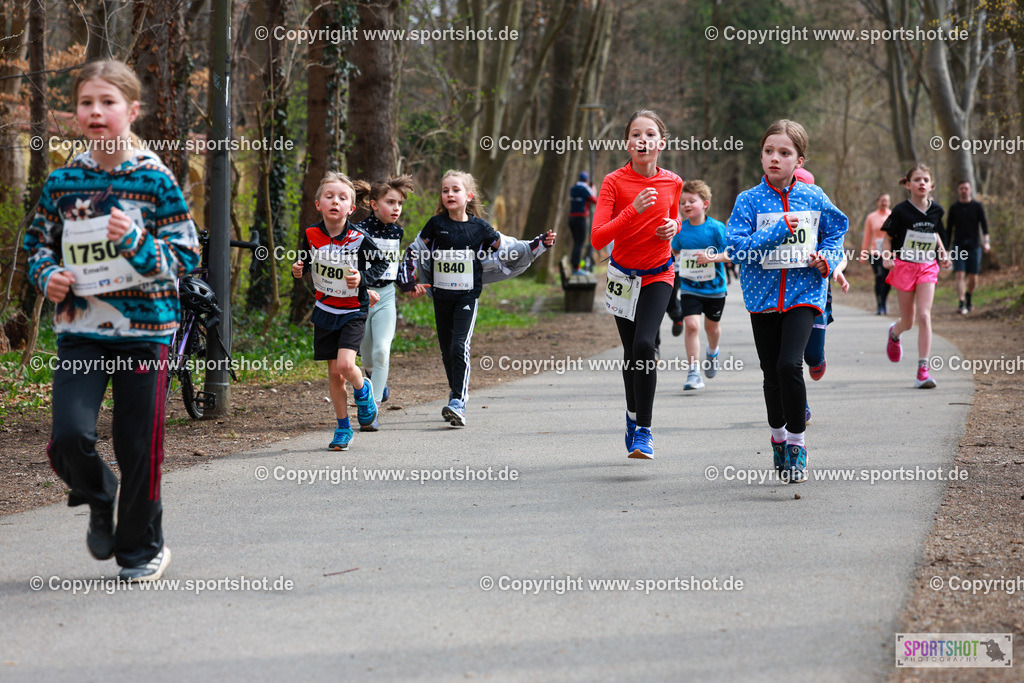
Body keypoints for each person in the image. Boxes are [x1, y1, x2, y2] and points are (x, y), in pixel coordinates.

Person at [23, 60, 200, 581]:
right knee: (69, 438)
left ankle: (141, 548)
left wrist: (138, 245)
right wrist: (47, 274)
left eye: (108, 102)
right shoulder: (63, 181)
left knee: (137, 444)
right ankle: (100, 494)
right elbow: (36, 246)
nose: (96, 112)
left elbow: (187, 255)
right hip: (81, 330)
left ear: (131, 110)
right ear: (75, 111)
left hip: (146, 332)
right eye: (86, 103)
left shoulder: (155, 178)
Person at [726, 119, 848, 483]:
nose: (775, 158)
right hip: (762, 298)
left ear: (800, 160)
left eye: (784, 153)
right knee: (770, 372)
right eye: (768, 152)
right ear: (761, 155)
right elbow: (737, 250)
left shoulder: (813, 196)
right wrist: (781, 227)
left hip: (804, 293)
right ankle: (777, 436)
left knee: (788, 365)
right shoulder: (747, 201)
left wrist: (827, 257)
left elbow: (836, 230)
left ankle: (797, 442)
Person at [398, 170, 556, 427]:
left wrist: (536, 245)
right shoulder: (435, 225)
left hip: (467, 297)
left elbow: (507, 248)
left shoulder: (480, 227)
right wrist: (408, 282)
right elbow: (415, 251)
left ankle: (459, 401)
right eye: (445, 190)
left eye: (456, 190)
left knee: (460, 346)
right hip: (441, 296)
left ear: (468, 196)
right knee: (447, 350)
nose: (450, 194)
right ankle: (455, 393)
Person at [591, 109, 682, 459]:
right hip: (623, 279)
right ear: (627, 143)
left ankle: (644, 429)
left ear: (662, 142)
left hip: (659, 274)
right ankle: (631, 416)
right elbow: (599, 238)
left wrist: (675, 227)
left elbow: (674, 218)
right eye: (635, 134)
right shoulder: (614, 182)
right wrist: (633, 212)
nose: (642, 140)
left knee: (645, 345)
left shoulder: (673, 182)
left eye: (649, 134)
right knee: (632, 353)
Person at [292, 172, 387, 449]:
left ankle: (363, 389)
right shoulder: (311, 233)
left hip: (353, 310)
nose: (336, 201)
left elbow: (381, 264)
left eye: (342, 198)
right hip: (324, 310)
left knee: (346, 366)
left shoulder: (359, 238)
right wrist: (299, 268)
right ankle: (343, 427)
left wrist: (362, 279)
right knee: (334, 375)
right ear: (318, 204)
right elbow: (307, 259)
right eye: (329, 196)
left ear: (351, 208)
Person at [881, 164, 952, 388]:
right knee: (909, 321)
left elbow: (935, 233)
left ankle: (923, 369)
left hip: (927, 266)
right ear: (908, 184)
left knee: (924, 315)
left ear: (931, 185)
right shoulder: (900, 211)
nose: (921, 183)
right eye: (917, 179)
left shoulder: (937, 210)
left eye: (925, 180)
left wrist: (943, 253)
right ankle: (895, 333)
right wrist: (886, 255)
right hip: (904, 265)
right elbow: (887, 238)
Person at [353, 175, 415, 421]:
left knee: (381, 351)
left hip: (387, 296)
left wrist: (408, 285)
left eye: (399, 203)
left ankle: (373, 407)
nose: (396, 208)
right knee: (367, 355)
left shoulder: (397, 232)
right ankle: (373, 376)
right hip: (363, 296)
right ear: (373, 204)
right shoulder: (358, 232)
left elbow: (393, 266)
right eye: (390, 202)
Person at [669, 179, 731, 391]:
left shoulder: (716, 228)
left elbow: (729, 254)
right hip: (689, 288)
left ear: (704, 204)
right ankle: (693, 371)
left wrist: (712, 257)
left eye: (691, 201)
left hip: (715, 289)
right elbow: (673, 252)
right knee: (692, 326)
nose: (685, 205)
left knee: (711, 329)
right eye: (682, 202)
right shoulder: (680, 230)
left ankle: (712, 352)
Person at [947, 180, 990, 314]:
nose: (964, 190)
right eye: (961, 188)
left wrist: (987, 242)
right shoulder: (954, 208)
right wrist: (946, 249)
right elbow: (949, 229)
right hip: (958, 245)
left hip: (974, 245)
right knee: (959, 274)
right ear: (958, 191)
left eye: (966, 188)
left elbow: (984, 225)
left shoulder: (977, 206)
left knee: (973, 277)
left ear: (970, 189)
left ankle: (969, 296)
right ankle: (961, 303)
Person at [859, 193, 893, 315]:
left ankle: (884, 301)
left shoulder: (893, 215)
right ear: (877, 202)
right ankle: (880, 305)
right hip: (875, 253)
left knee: (888, 279)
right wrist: (863, 254)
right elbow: (867, 236)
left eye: (887, 201)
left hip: (890, 253)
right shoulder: (871, 217)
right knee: (879, 277)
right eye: (882, 200)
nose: (884, 203)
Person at [568, 171, 598, 275]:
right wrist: (593, 190)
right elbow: (595, 201)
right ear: (587, 180)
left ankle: (574, 266)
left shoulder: (573, 188)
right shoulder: (585, 189)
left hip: (571, 218)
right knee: (580, 243)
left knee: (576, 243)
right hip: (581, 218)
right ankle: (576, 269)